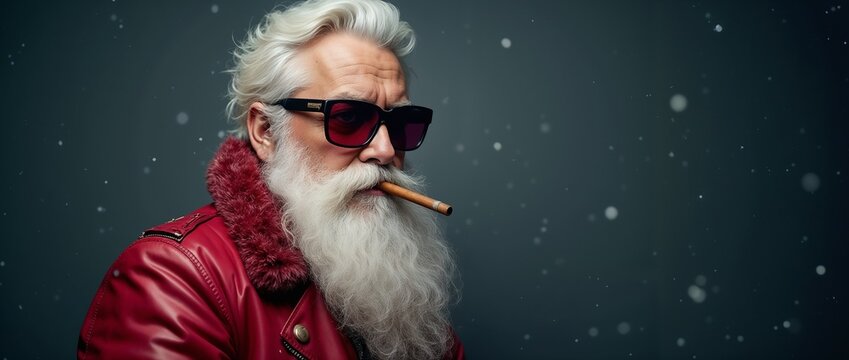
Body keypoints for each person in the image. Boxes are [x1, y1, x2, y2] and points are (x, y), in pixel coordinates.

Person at [77, 0, 463, 358]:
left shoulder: (400, 280)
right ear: (264, 130)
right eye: (348, 117)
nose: (384, 150)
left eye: (400, 123)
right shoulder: (174, 276)